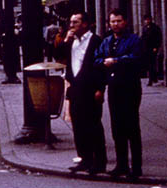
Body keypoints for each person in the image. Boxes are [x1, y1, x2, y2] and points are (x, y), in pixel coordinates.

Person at [95, 9, 144, 179]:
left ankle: (136, 168)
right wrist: (104, 62)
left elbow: (136, 58)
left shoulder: (134, 40)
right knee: (117, 128)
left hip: (130, 87)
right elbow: (97, 59)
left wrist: (116, 61)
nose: (115, 24)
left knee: (132, 127)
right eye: (112, 21)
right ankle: (121, 165)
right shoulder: (107, 41)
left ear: (125, 22)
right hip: (114, 87)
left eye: (118, 21)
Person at [58, 12, 107, 175]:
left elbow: (101, 66)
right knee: (78, 125)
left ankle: (99, 161)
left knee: (93, 125)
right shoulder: (71, 41)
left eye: (75, 22)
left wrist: (101, 88)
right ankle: (84, 159)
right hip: (75, 88)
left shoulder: (96, 41)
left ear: (85, 24)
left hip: (91, 89)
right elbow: (58, 57)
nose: (71, 25)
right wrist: (65, 40)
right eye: (70, 22)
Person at [141, 14, 163, 86]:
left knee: (152, 64)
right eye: (146, 20)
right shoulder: (145, 28)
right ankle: (153, 77)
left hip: (153, 48)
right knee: (149, 64)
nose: (147, 21)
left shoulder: (155, 28)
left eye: (148, 20)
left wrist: (156, 47)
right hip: (146, 49)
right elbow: (143, 38)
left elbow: (158, 38)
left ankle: (152, 79)